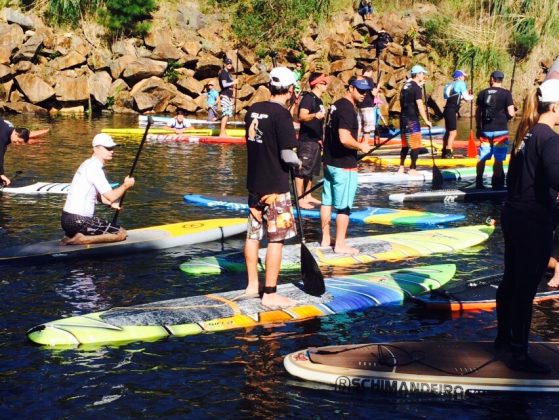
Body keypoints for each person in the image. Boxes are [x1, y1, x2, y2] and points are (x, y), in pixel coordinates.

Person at [495, 79, 559, 374]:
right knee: (526, 287)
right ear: (556, 107)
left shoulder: (527, 133)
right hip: (534, 219)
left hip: (514, 213)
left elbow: (512, 179)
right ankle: (519, 355)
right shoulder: (550, 138)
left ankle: (503, 340)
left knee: (511, 279)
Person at [244, 67, 302, 309]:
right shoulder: (282, 115)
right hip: (276, 187)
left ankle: (251, 286)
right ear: (290, 90)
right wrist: (301, 164)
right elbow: (287, 155)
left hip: (254, 185)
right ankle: (269, 293)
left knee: (252, 235)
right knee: (276, 240)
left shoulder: (253, 110)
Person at [321, 77, 372, 254]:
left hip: (329, 162)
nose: (363, 94)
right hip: (344, 166)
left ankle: (326, 238)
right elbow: (344, 138)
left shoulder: (336, 105)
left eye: (366, 91)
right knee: (344, 207)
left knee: (327, 202)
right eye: (360, 90)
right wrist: (361, 146)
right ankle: (340, 245)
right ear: (350, 88)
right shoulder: (348, 110)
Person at [60, 133, 135, 245]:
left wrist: (110, 203)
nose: (112, 151)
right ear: (96, 149)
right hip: (80, 221)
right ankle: (82, 239)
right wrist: (126, 185)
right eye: (108, 148)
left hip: (67, 220)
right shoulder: (95, 169)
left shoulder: (87, 164)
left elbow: (96, 194)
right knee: (121, 233)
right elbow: (111, 196)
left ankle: (70, 237)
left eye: (112, 148)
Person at [295, 72, 330, 209]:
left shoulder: (319, 100)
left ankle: (308, 195)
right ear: (316, 84)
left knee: (311, 170)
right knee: (302, 170)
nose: (326, 85)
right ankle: (300, 198)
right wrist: (315, 115)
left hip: (316, 140)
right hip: (306, 140)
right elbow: (302, 116)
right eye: (323, 83)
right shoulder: (308, 98)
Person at [475, 70, 515, 189]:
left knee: (482, 157)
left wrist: (478, 127)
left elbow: (477, 113)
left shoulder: (482, 93)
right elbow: (511, 113)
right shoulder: (506, 94)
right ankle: (496, 184)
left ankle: (479, 182)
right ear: (501, 80)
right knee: (498, 159)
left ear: (492, 79)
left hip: (485, 130)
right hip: (501, 131)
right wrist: (508, 116)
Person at [398, 65, 432, 175]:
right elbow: (420, 105)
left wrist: (419, 86)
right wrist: (426, 120)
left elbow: (410, 91)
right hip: (412, 119)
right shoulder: (416, 88)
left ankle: (401, 167)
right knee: (416, 145)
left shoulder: (405, 86)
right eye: (422, 73)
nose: (423, 75)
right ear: (418, 74)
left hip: (403, 119)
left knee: (405, 145)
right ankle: (412, 169)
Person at [441, 70, 473, 158]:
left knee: (448, 131)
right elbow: (467, 97)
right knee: (453, 133)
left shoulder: (449, 85)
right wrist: (471, 97)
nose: (464, 78)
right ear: (459, 77)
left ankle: (444, 150)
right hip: (451, 111)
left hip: (447, 110)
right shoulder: (461, 83)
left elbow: (451, 97)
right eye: (463, 76)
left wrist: (464, 97)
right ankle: (448, 152)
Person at [0, 119, 29, 186]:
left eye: (20, 143)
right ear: (16, 133)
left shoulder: (11, 130)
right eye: (18, 141)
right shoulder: (3, 136)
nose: (17, 144)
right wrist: (1, 174)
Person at [357, 66, 379, 145]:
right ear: (369, 72)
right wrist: (378, 86)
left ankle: (356, 142)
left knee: (359, 126)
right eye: (371, 73)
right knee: (367, 127)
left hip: (360, 105)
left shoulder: (359, 79)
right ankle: (365, 143)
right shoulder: (369, 80)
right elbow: (374, 93)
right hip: (368, 105)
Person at [218, 57, 237, 137]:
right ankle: (222, 133)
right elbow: (224, 84)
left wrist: (232, 96)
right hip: (225, 95)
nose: (229, 65)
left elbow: (230, 86)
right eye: (228, 63)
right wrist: (234, 82)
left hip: (228, 96)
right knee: (225, 114)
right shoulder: (223, 73)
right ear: (224, 64)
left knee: (227, 114)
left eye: (230, 63)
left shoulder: (228, 73)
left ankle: (224, 132)